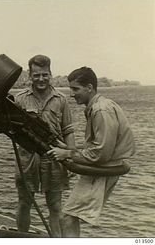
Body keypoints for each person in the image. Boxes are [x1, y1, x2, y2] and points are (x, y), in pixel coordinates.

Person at [47, 66, 135, 237]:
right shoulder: (102, 105)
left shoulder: (101, 110)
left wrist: (69, 154)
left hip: (104, 169)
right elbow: (99, 147)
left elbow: (101, 154)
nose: (72, 94)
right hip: (105, 166)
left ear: (89, 88)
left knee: (67, 218)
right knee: (69, 217)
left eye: (75, 89)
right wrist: (69, 149)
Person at [14, 55, 75, 237]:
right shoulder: (20, 99)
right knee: (24, 202)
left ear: (51, 74)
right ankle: (20, 238)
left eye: (45, 75)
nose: (41, 79)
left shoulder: (61, 99)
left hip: (55, 159)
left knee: (55, 205)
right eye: (36, 75)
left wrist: (70, 155)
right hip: (27, 159)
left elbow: (68, 130)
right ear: (29, 76)